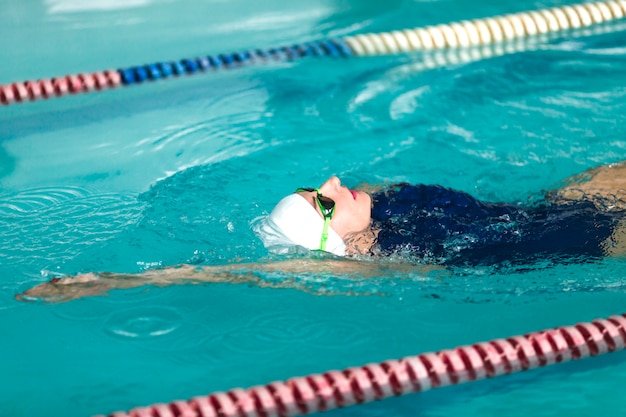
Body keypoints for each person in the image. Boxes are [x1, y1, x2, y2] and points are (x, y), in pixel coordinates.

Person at [16, 162, 626, 303]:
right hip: (586, 238)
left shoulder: (390, 209)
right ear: (333, 240)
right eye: (323, 198)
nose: (334, 181)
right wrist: (114, 283)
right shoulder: (404, 260)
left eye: (319, 186)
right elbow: (250, 271)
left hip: (554, 204)